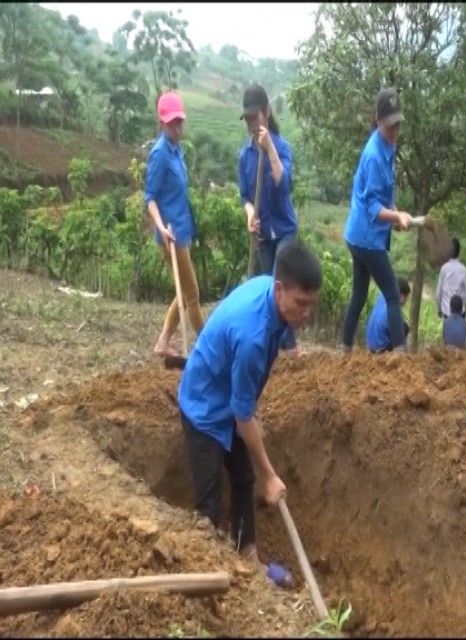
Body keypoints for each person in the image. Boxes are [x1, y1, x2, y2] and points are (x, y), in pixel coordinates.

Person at [177, 240, 321, 580]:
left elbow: (246, 406)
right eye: (300, 304)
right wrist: (271, 476)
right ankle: (208, 573)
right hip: (204, 408)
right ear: (280, 288)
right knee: (209, 505)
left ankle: (246, 554)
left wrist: (250, 411)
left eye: (310, 304)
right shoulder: (252, 335)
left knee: (242, 478)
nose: (306, 313)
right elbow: (243, 416)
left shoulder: (269, 296)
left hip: (230, 399)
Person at [341, 88, 414, 354]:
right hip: (366, 238)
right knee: (393, 295)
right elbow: (373, 206)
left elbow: (384, 195)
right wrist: (396, 216)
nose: (394, 130)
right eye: (389, 124)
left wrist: (395, 214)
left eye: (398, 124)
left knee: (359, 295)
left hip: (359, 235)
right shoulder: (373, 155)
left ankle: (345, 351)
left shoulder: (388, 145)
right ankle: (401, 357)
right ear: (377, 119)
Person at [238, 82, 301, 356]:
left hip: (285, 230)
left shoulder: (282, 147)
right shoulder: (245, 156)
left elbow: (282, 183)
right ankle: (274, 346)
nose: (253, 123)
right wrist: (250, 214)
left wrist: (270, 149)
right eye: (248, 118)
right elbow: (245, 196)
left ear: (266, 112)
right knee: (267, 288)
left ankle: (291, 347)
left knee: (280, 283)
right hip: (263, 236)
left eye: (256, 116)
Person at [145, 91, 204, 359]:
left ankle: (162, 342)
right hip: (171, 235)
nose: (177, 128)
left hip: (183, 229)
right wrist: (161, 227)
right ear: (162, 123)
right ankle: (207, 347)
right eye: (172, 124)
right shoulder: (159, 154)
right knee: (192, 294)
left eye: (179, 122)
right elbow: (150, 198)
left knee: (184, 292)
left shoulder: (177, 149)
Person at [366, 279, 411, 353]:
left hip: (369, 345)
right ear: (402, 296)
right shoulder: (394, 306)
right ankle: (400, 353)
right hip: (381, 348)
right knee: (404, 327)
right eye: (406, 298)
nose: (405, 301)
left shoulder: (382, 296)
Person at [435, 237, 466, 320]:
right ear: (459, 252)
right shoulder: (463, 270)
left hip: (446, 312)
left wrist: (439, 309)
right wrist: (465, 310)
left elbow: (438, 293)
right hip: (460, 313)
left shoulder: (444, 268)